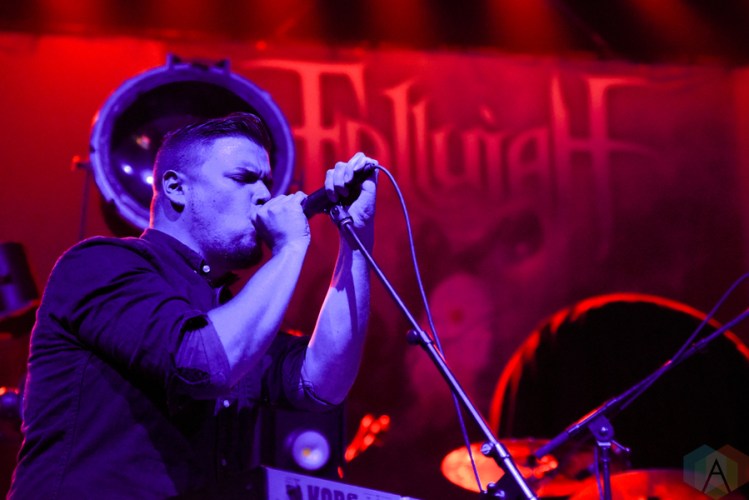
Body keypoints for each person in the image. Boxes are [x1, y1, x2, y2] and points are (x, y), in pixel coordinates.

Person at [8, 112, 378, 498]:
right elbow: (202, 363)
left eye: (266, 182)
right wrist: (288, 247)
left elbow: (322, 384)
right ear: (176, 188)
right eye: (244, 178)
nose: (265, 195)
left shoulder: (229, 313)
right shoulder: (100, 265)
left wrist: (356, 241)